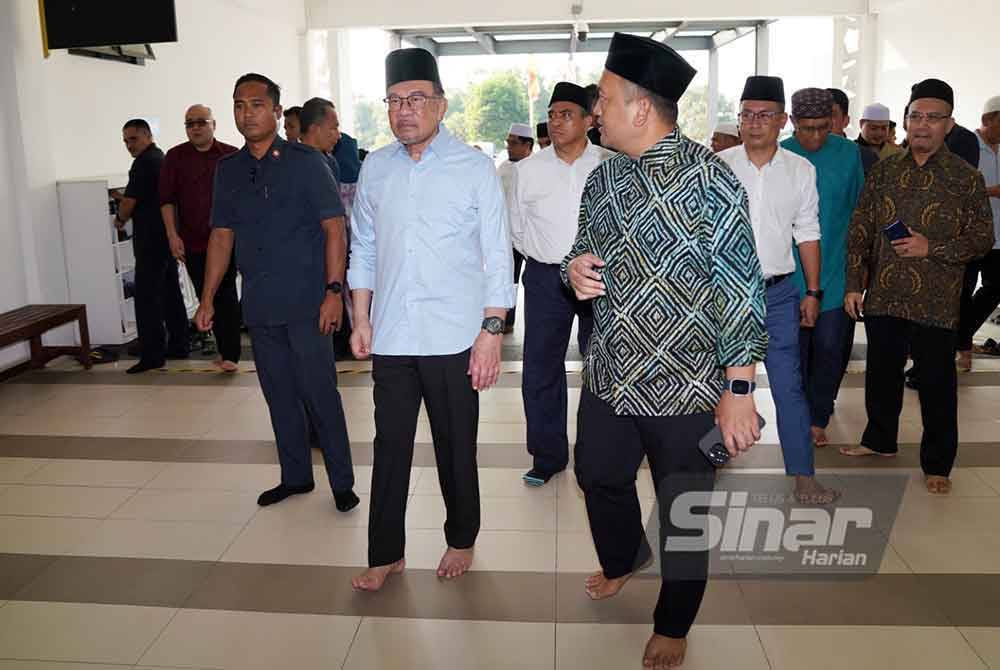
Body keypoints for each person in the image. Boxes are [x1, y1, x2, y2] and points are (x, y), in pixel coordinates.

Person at [565, 33, 767, 669]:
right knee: (596, 473)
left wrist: (738, 394)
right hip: (611, 375)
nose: (594, 110)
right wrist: (574, 267)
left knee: (684, 509)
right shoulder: (604, 178)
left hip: (685, 387)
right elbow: (579, 247)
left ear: (641, 109)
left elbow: (742, 294)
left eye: (602, 99)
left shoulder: (712, 183)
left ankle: (674, 622)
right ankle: (626, 556)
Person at [348, 48, 514, 592]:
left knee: (454, 444)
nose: (404, 111)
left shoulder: (472, 167)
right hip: (393, 335)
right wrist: (361, 316)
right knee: (389, 445)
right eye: (395, 101)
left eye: (416, 100)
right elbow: (364, 249)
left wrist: (490, 333)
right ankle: (385, 552)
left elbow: (497, 256)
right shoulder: (375, 167)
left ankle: (461, 537)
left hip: (453, 337)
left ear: (440, 106)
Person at [196, 73, 358, 511]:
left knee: (320, 393)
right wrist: (208, 297)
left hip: (308, 302)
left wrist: (332, 292)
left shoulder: (306, 162)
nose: (246, 113)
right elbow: (221, 237)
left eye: (255, 104)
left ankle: (342, 482)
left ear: (275, 111)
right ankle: (296, 477)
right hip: (262, 305)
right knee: (279, 393)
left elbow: (334, 229)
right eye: (238, 105)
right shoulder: (228, 170)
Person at [840, 79, 994, 495]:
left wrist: (933, 246)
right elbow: (860, 230)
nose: (923, 125)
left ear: (950, 124)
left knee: (937, 382)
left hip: (937, 299)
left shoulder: (965, 178)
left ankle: (938, 462)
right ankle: (879, 440)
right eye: (915, 116)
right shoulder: (885, 170)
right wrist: (855, 284)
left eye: (933, 118)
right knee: (881, 373)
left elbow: (981, 238)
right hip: (885, 294)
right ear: (905, 122)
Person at [719, 76, 838, 505]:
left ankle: (804, 477)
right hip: (725, 296)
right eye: (747, 114)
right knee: (720, 383)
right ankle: (715, 456)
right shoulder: (719, 166)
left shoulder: (800, 170)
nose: (754, 123)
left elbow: (807, 232)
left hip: (779, 294)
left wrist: (813, 291)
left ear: (782, 120)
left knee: (788, 386)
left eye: (765, 115)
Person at [509, 82, 609, 487]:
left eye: (567, 113)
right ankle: (547, 456)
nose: (556, 120)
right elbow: (516, 228)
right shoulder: (527, 170)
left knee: (600, 365)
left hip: (598, 277)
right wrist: (546, 260)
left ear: (588, 120)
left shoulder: (608, 164)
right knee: (540, 367)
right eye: (552, 113)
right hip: (546, 277)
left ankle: (596, 451)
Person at [782, 88, 865, 448]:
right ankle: (800, 414)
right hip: (790, 274)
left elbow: (861, 212)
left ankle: (819, 416)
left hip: (836, 268)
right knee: (795, 352)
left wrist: (858, 275)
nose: (815, 136)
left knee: (831, 348)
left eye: (822, 127)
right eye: (807, 128)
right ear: (792, 122)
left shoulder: (849, 154)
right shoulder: (781, 153)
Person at [159, 105, 241, 372]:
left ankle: (230, 353)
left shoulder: (231, 156)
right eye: (190, 124)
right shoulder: (175, 157)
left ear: (213, 124)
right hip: (193, 241)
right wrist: (172, 235)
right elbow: (167, 201)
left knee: (225, 293)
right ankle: (221, 347)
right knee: (206, 295)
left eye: (201, 122)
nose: (195, 128)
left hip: (228, 241)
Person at [114, 119, 189, 374]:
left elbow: (129, 203)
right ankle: (179, 344)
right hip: (167, 236)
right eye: (125, 141)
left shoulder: (143, 163)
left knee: (146, 297)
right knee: (170, 291)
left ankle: (152, 355)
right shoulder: (162, 157)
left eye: (133, 139)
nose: (129, 145)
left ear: (147, 135)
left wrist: (120, 218)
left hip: (149, 240)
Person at [956, 96, 1000, 367]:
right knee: (962, 290)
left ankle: (961, 336)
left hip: (999, 234)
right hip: (970, 233)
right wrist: (991, 191)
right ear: (987, 120)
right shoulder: (968, 146)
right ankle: (961, 346)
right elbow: (958, 187)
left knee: (996, 287)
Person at [498, 122, 535, 333]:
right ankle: (506, 320)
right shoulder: (503, 168)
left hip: (532, 239)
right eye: (508, 142)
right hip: (507, 237)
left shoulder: (536, 168)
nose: (508, 147)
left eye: (513, 143)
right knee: (507, 279)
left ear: (527, 146)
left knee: (532, 282)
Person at [830, 88, 877, 175]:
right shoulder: (806, 154)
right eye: (821, 115)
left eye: (832, 115)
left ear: (846, 121)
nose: (825, 121)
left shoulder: (863, 157)